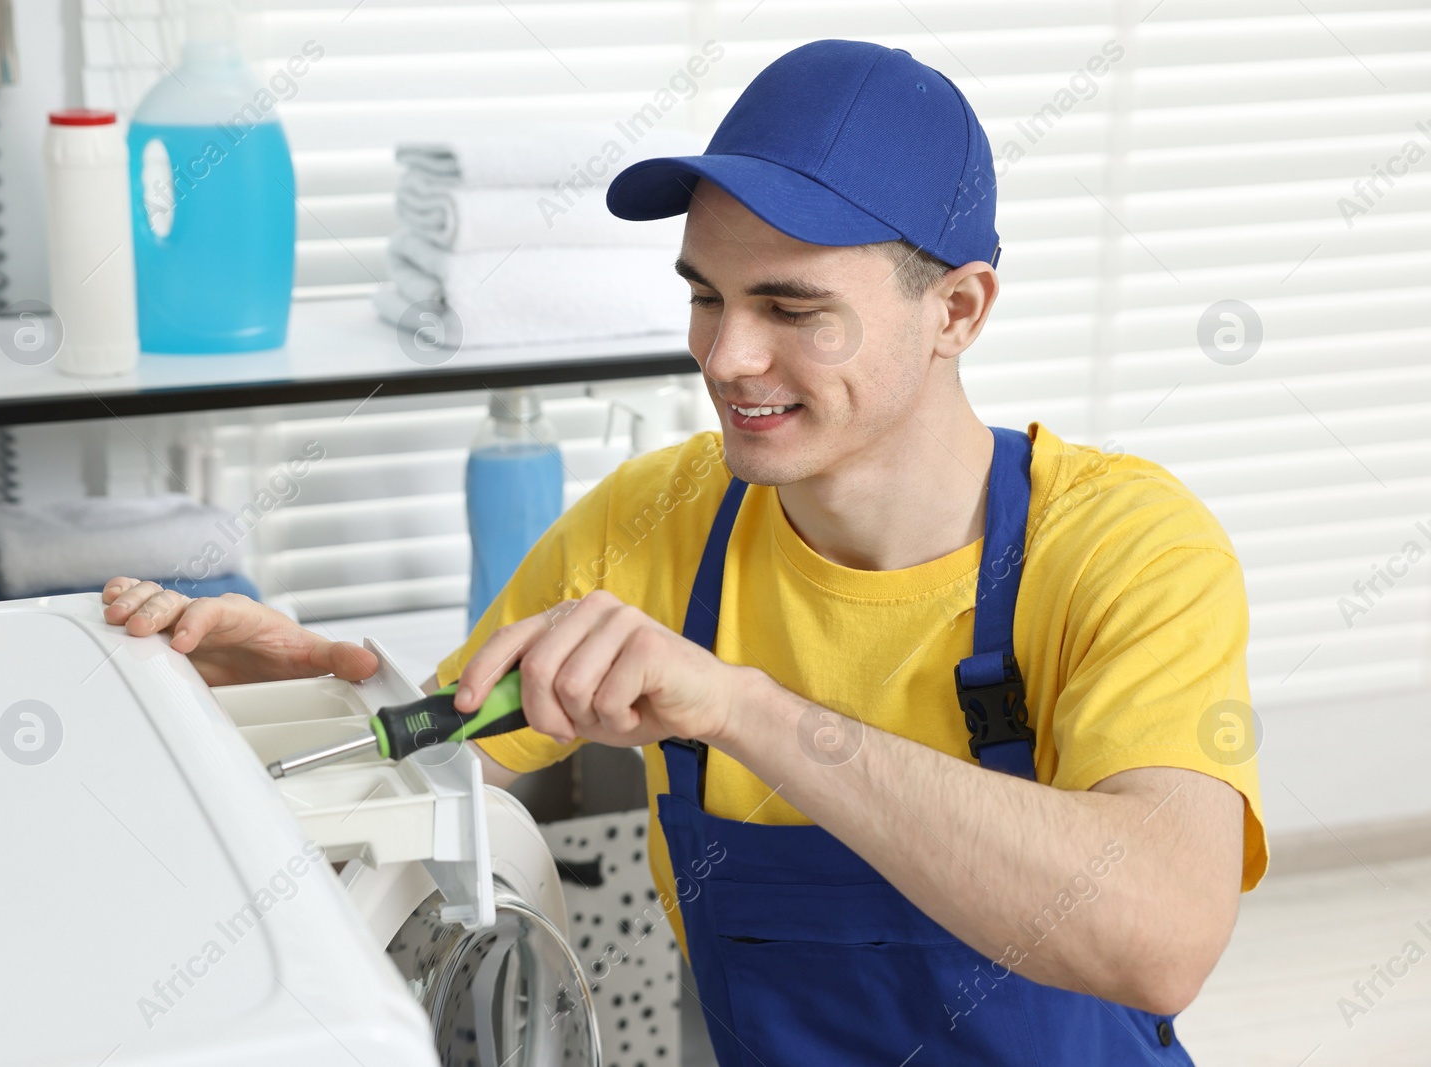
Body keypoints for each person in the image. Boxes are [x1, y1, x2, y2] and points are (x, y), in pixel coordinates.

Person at [103, 40, 1266, 1065]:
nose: (724, 355)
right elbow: (449, 766)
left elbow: (1161, 936)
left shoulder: (1123, 546)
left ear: (957, 309)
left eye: (792, 307)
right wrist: (308, 696)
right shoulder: (657, 519)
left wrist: (746, 711)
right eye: (705, 296)